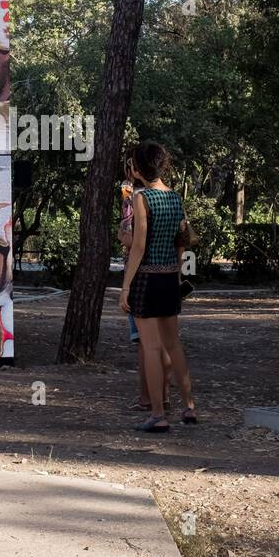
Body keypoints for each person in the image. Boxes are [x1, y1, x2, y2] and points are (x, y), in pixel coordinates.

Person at [119, 142, 197, 432]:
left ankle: (157, 413)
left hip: (146, 280)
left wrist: (126, 286)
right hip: (169, 278)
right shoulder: (175, 198)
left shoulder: (142, 199)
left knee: (151, 347)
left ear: (138, 169)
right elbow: (182, 241)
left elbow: (138, 246)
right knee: (174, 345)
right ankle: (189, 406)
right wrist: (177, 274)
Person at [119, 169, 171, 412]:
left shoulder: (136, 198)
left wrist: (126, 286)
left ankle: (149, 401)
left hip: (142, 275)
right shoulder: (170, 197)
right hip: (166, 274)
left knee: (144, 342)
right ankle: (165, 396)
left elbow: (137, 243)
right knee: (164, 341)